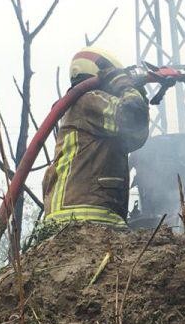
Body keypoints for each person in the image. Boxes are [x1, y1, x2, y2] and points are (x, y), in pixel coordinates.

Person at [39, 48, 149, 236]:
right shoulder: (88, 100)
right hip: (86, 213)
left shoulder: (78, 108)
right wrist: (126, 86)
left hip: (70, 214)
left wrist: (137, 94)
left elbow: (136, 136)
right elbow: (132, 116)